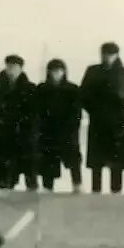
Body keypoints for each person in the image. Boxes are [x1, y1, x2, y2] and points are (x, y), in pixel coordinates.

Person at [81, 42, 124, 194]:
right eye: (105, 54)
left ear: (117, 55)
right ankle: (96, 192)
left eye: (111, 55)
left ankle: (116, 193)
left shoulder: (123, 72)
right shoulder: (93, 71)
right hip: (98, 120)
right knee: (96, 162)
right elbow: (83, 94)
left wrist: (123, 96)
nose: (107, 58)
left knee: (117, 162)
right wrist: (93, 108)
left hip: (118, 122)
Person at [35, 60, 84, 192]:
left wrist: (72, 127)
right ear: (48, 72)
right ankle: (47, 188)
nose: (56, 74)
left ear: (64, 72)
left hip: (67, 131)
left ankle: (77, 185)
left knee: (73, 159)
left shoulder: (72, 89)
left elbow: (77, 113)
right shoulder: (42, 89)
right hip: (47, 132)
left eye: (59, 71)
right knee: (47, 161)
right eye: (53, 71)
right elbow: (37, 112)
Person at [0, 55, 38, 190]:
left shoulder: (30, 88)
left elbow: (34, 114)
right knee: (5, 178)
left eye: (14, 67)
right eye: (9, 66)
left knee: (29, 176)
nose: (11, 70)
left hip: (24, 138)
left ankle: (33, 204)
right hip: (4, 138)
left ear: (21, 69)